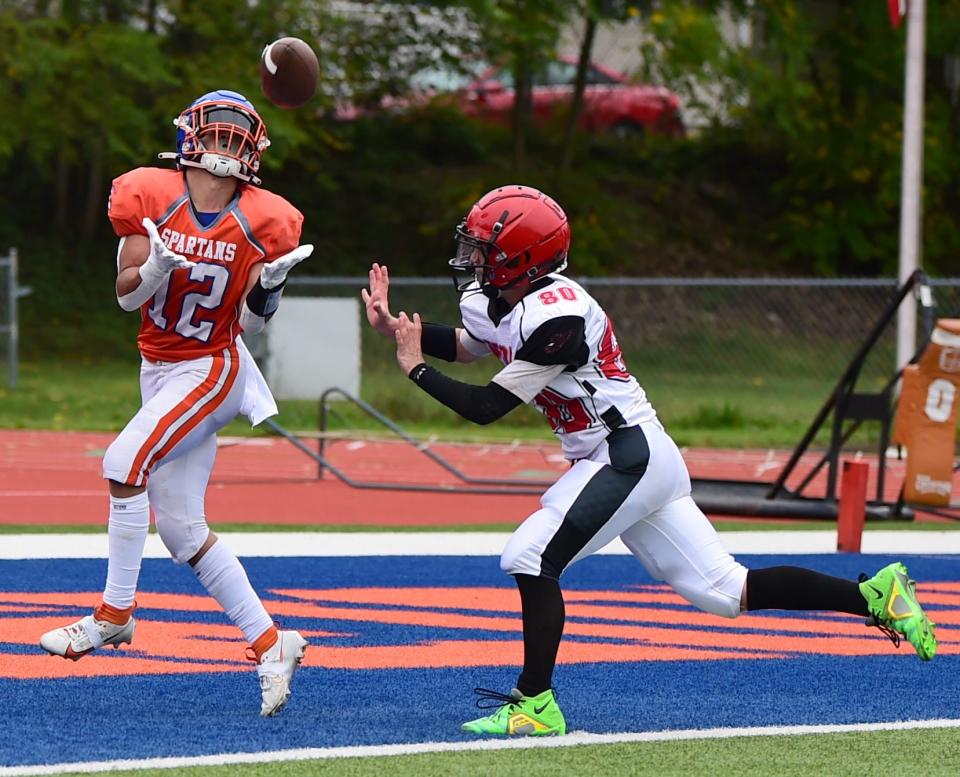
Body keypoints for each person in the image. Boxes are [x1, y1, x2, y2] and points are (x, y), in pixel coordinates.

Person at [361, 184, 938, 737]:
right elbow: (474, 342)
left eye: (484, 248)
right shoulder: (501, 301)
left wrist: (415, 368)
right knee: (725, 590)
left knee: (531, 556)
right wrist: (402, 332)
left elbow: (487, 405)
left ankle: (535, 703)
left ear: (522, 258)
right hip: (631, 454)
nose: (471, 259)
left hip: (623, 455)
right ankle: (872, 596)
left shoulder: (557, 318)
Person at [40, 90, 311, 717]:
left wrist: (267, 291)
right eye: (214, 137)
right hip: (157, 368)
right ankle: (272, 643)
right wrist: (158, 267)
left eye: (232, 141)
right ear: (191, 140)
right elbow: (127, 299)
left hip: (214, 368)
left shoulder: (261, 220)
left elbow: (252, 324)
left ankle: (114, 613)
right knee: (183, 530)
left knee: (121, 463)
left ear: (251, 153)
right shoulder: (149, 198)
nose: (222, 150)